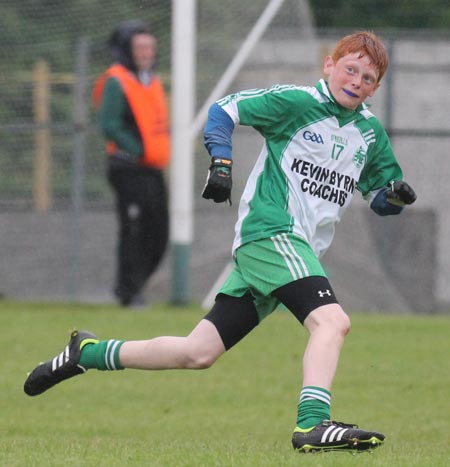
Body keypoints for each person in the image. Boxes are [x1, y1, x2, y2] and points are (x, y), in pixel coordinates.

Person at [24, 31, 416, 453]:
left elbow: (378, 196)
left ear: (376, 87)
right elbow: (225, 109)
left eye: (368, 77)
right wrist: (221, 161)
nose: (356, 80)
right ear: (329, 65)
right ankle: (313, 424)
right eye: (350, 69)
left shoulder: (370, 133)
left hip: (290, 251)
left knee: (197, 352)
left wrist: (393, 197)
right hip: (271, 234)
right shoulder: (298, 103)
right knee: (332, 321)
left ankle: (88, 352)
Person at [92, 20, 170, 306]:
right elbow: (109, 124)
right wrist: (138, 150)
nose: (147, 52)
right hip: (127, 168)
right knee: (134, 229)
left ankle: (135, 286)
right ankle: (127, 291)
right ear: (127, 49)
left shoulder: (152, 78)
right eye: (140, 47)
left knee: (158, 231)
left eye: (150, 46)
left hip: (152, 168)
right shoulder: (117, 80)